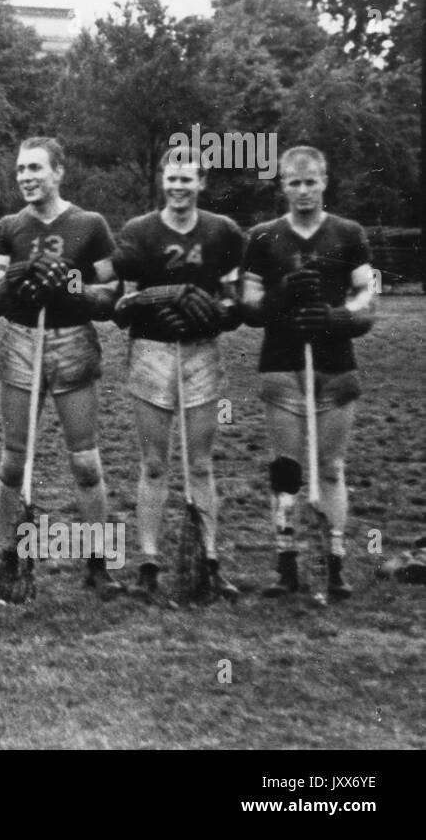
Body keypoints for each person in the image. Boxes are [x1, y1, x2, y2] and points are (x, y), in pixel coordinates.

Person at [0, 137, 123, 600]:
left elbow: (111, 296)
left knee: (84, 460)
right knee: (12, 460)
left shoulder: (90, 224)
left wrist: (70, 285)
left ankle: (99, 562)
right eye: (21, 169)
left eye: (35, 168)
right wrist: (15, 279)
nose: (26, 177)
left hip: (72, 341)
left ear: (58, 171)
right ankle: (7, 556)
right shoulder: (8, 226)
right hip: (22, 340)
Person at [109, 147, 245, 604]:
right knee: (153, 463)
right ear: (162, 181)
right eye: (172, 178)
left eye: (187, 179)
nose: (178, 187)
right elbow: (122, 304)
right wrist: (153, 305)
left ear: (201, 182)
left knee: (201, 463)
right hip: (151, 352)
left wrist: (217, 313)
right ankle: (148, 565)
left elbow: (233, 299)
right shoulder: (139, 231)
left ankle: (209, 561)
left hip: (201, 351)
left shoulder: (223, 231)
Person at [241, 145, 375, 600]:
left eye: (310, 181)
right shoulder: (263, 236)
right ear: (282, 185)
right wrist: (280, 294)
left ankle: (334, 565)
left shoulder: (348, 233)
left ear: (324, 182)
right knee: (286, 469)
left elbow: (367, 299)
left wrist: (337, 316)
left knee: (332, 467)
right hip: (281, 364)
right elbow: (249, 306)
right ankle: (286, 565)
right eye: (294, 182)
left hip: (335, 365)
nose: (303, 190)